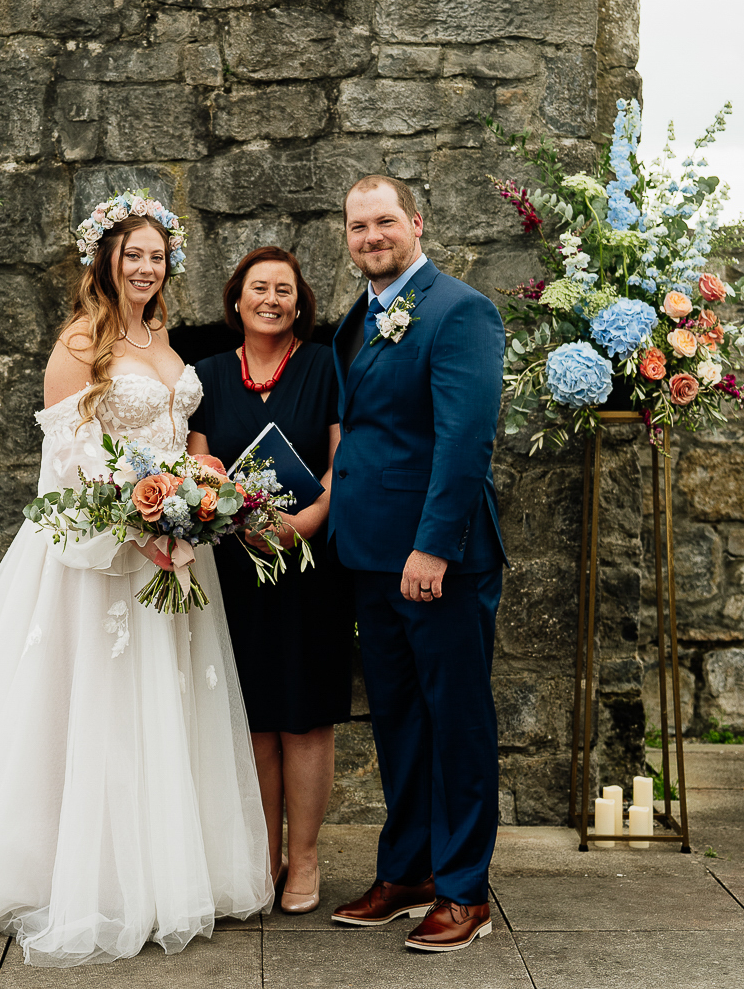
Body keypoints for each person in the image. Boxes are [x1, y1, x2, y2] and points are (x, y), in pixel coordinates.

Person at [0, 194, 272, 967]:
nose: (146, 267)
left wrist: (193, 502)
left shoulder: (163, 335)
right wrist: (140, 527)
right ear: (103, 260)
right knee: (91, 702)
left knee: (165, 699)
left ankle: (164, 861)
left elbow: (175, 433)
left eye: (156, 255)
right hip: (107, 549)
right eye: (131, 254)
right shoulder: (80, 339)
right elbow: (70, 458)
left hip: (175, 540)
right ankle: (83, 872)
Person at [325, 175, 507, 954]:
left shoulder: (459, 311)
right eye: (358, 226)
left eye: (384, 221)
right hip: (369, 557)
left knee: (456, 723)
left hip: (435, 559)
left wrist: (431, 546)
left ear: (417, 223)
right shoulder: (352, 322)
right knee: (398, 723)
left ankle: (465, 889)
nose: (371, 236)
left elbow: (465, 440)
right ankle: (408, 873)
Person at [188, 247, 353, 916]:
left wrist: (307, 521)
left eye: (285, 289)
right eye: (260, 288)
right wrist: (230, 516)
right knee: (253, 720)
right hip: (235, 564)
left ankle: (306, 856)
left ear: (299, 302)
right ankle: (263, 853)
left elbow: (347, 459)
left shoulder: (324, 365)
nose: (272, 299)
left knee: (305, 719)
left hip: (309, 566)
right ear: (237, 299)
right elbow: (199, 467)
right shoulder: (204, 374)